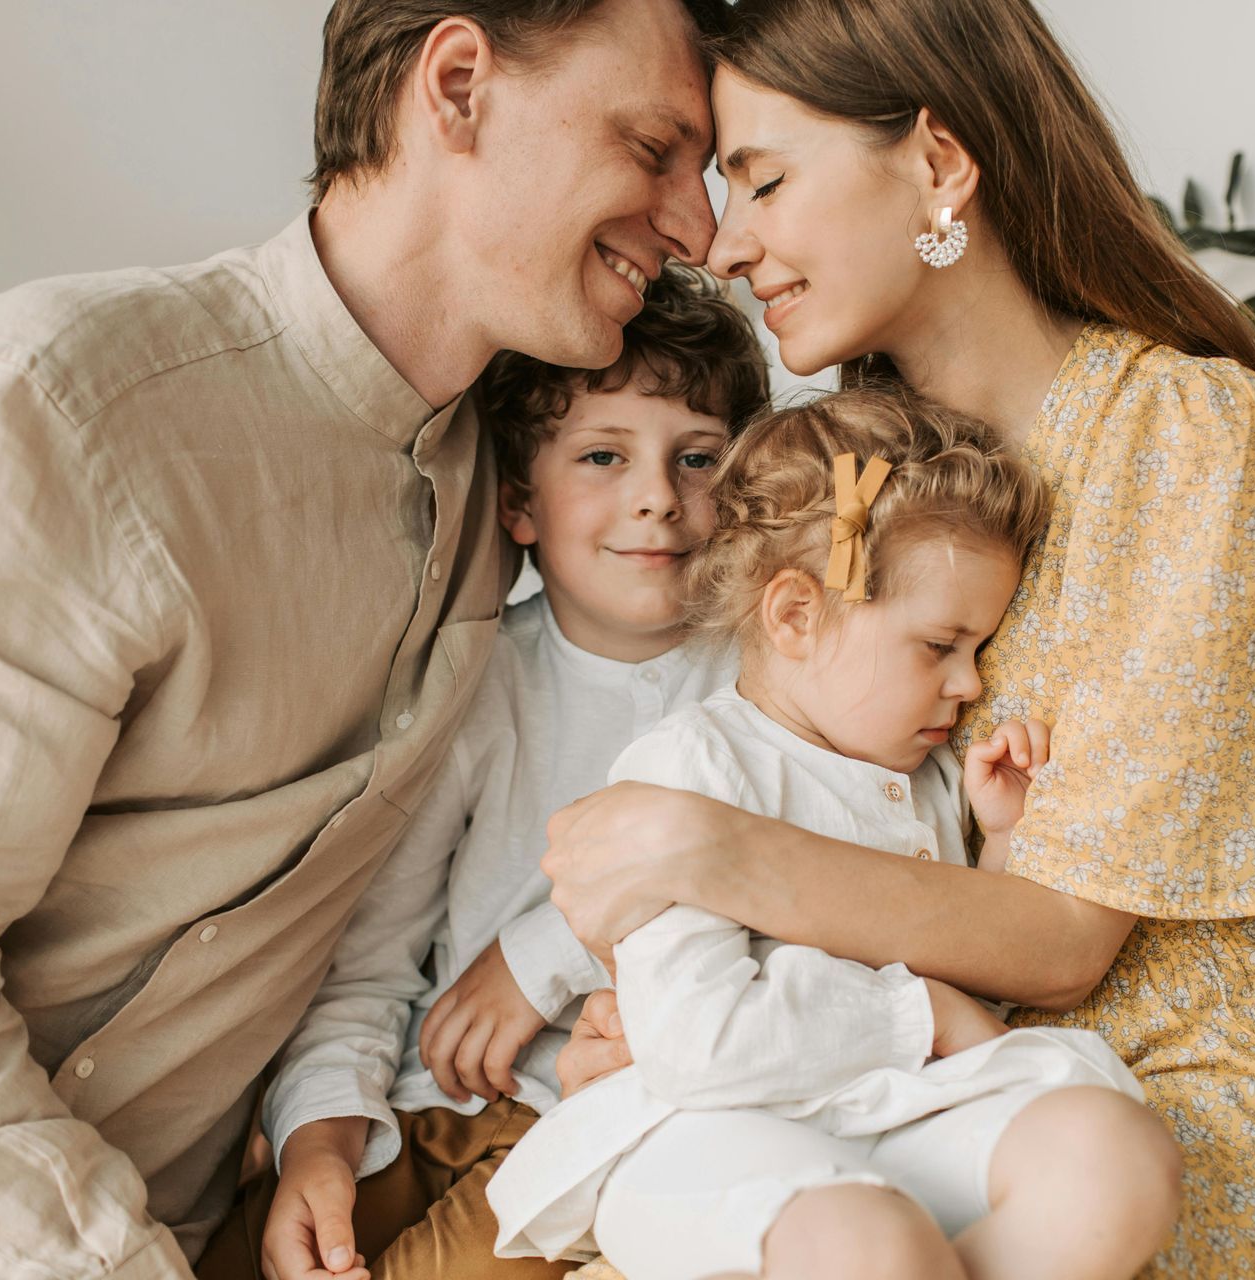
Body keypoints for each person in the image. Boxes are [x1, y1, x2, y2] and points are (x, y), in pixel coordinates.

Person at [0, 1, 725, 1275]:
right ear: (457, 87)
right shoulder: (51, 412)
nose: (699, 228)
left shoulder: (501, 482)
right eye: (656, 147)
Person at [537, 2, 1255, 1277]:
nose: (725, 245)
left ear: (940, 165)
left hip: (1147, 1065)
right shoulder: (855, 464)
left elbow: (1062, 943)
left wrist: (701, 850)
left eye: (766, 180)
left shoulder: (1186, 434)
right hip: (886, 1047)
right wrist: (682, 1021)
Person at [489, 389, 1180, 1280]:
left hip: (888, 1116)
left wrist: (1001, 848)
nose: (970, 685)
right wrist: (918, 1010)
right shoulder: (690, 769)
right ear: (795, 617)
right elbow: (705, 1047)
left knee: (1115, 1152)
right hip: (711, 1133)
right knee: (871, 1245)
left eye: (981, 650)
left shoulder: (922, 776)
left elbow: (988, 1006)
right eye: (940, 647)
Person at [195, 265, 768, 1280]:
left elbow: (769, 884)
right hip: (420, 1104)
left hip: (588, 1128)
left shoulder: (766, 683)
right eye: (603, 454)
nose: (656, 497)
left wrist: (543, 952)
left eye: (698, 458)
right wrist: (318, 1143)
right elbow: (368, 965)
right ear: (518, 502)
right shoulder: (474, 684)